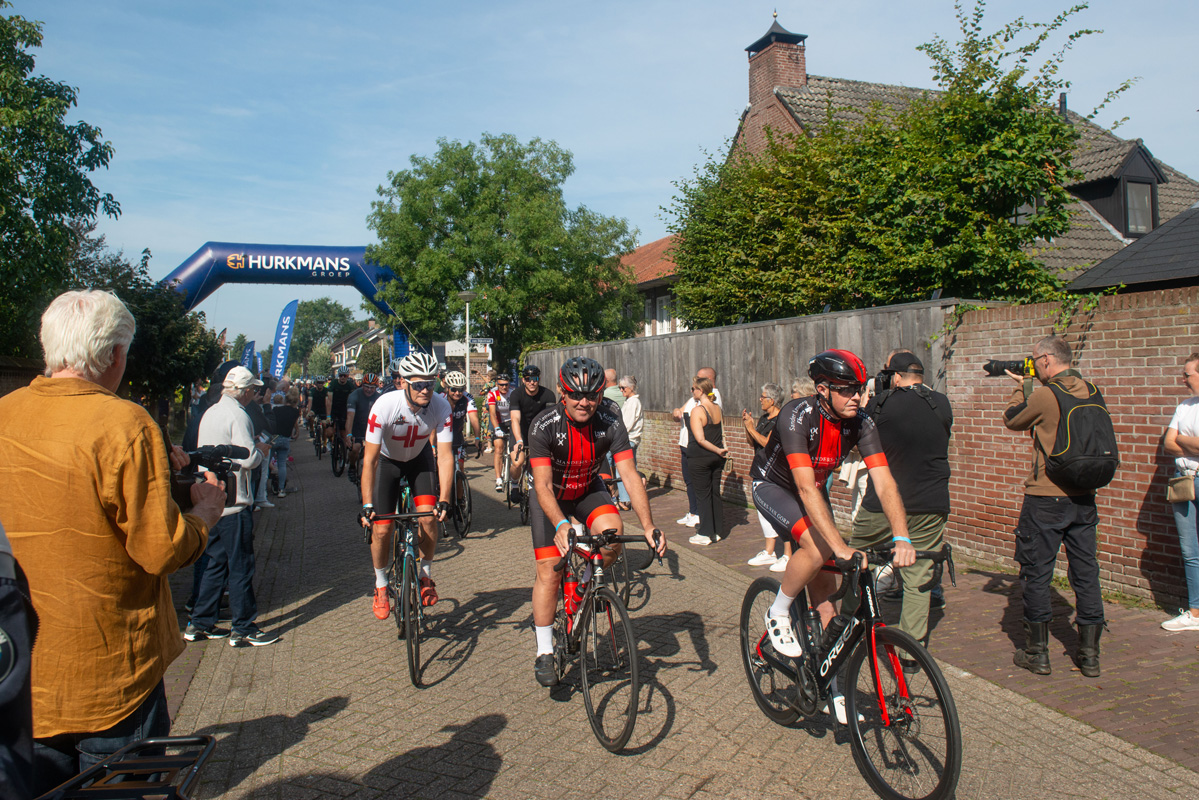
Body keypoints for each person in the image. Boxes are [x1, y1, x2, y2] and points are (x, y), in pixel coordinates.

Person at [0, 290, 226, 794]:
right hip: (111, 674)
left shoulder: (4, 414)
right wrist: (203, 514)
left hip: (22, 670)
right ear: (116, 354)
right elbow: (161, 550)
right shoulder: (126, 423)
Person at [751, 350, 913, 677]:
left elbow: (885, 483)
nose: (857, 397)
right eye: (847, 389)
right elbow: (804, 488)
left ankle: (831, 687)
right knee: (821, 547)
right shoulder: (797, 415)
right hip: (775, 486)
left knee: (827, 604)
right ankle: (778, 611)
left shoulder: (862, 422)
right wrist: (839, 548)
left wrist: (902, 537)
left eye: (860, 389)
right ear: (822, 389)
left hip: (813, 491)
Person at [527, 357, 667, 686]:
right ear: (563, 392)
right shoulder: (544, 424)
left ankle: (586, 586)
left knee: (613, 537)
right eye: (576, 395)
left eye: (592, 395)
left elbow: (629, 474)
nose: (584, 402)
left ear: (601, 394)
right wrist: (561, 524)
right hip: (552, 496)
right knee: (549, 571)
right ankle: (544, 649)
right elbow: (542, 486)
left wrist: (649, 525)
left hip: (587, 488)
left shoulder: (610, 418)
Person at [1003, 335, 1106, 677]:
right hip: (1084, 497)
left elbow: (1013, 419)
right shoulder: (1093, 390)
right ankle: (1089, 655)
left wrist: (1022, 385)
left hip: (1046, 498)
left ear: (1046, 360)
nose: (1034, 367)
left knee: (1037, 573)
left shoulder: (1047, 394)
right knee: (1086, 573)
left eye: (1035, 362)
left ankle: (1038, 654)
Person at [850, 353, 952, 646]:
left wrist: (867, 403)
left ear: (895, 376)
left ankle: (844, 627)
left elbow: (858, 442)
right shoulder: (941, 403)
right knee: (918, 579)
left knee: (855, 562)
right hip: (931, 502)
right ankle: (910, 653)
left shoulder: (882, 404)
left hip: (883, 505)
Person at [358, 353, 453, 620]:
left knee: (429, 517)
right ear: (404, 383)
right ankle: (380, 585)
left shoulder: (441, 406)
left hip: (419, 460)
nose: (425, 390)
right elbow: (370, 460)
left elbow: (445, 456)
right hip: (387, 461)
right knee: (382, 528)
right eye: (419, 384)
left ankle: (426, 575)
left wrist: (445, 499)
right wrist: (367, 504)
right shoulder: (385, 405)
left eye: (430, 384)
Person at [191, 366, 280, 648]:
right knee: (241, 566)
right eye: (253, 390)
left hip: (211, 500)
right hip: (234, 500)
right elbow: (247, 458)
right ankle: (243, 627)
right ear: (245, 392)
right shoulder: (238, 415)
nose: (254, 394)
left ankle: (200, 623)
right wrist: (261, 452)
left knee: (215, 563)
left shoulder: (211, 412)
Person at [1161, 352, 1199, 631]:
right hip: (1184, 480)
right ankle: (1195, 613)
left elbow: (1176, 441)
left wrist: (1181, 440)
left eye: (1187, 375)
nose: (1183, 380)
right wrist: (1191, 443)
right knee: (1190, 549)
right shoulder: (1185, 406)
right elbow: (1168, 443)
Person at [672, 366, 723, 528]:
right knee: (690, 482)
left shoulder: (712, 400)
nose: (692, 388)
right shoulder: (694, 400)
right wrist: (676, 412)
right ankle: (694, 511)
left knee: (702, 486)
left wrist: (717, 450)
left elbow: (702, 433)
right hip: (687, 445)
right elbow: (679, 412)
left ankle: (703, 519)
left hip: (699, 449)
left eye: (697, 382)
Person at [744, 383, 787, 568]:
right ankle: (769, 551)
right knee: (762, 511)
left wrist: (752, 429)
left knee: (778, 510)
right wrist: (747, 426)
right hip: (760, 468)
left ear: (772, 400)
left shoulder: (779, 420)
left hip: (774, 470)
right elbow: (752, 442)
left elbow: (768, 444)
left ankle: (785, 553)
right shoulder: (763, 418)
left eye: (763, 397)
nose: (760, 400)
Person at [686, 376, 729, 545]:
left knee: (702, 495)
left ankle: (705, 533)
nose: (692, 391)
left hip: (700, 458)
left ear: (701, 390)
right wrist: (719, 451)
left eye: (693, 389)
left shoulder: (698, 410)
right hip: (716, 459)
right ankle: (717, 530)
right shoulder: (717, 408)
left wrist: (717, 449)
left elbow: (700, 439)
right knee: (714, 493)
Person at [509, 364, 557, 501]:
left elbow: (552, 421)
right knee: (518, 462)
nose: (531, 382)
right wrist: (519, 440)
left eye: (534, 379)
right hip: (520, 431)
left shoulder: (548, 395)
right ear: (523, 380)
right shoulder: (516, 394)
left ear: (539, 379)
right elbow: (515, 419)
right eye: (528, 379)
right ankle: (514, 484)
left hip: (539, 433)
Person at [344, 372, 381, 484]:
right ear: (362, 385)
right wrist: (349, 434)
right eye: (366, 387)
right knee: (355, 448)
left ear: (376, 387)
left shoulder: (379, 398)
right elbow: (350, 417)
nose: (369, 390)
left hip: (371, 427)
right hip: (357, 426)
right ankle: (352, 466)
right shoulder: (354, 396)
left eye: (372, 387)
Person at [615, 375, 644, 510]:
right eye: (619, 388)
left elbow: (627, 424)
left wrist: (616, 435)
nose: (621, 390)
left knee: (622, 471)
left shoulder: (633, 402)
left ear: (631, 387)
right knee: (631, 470)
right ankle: (634, 497)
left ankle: (626, 500)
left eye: (623, 388)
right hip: (629, 440)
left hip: (628, 440)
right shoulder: (629, 401)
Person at [272, 387, 303, 497]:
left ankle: (263, 492)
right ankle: (281, 490)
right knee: (282, 464)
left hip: (274, 438)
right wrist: (297, 432)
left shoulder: (276, 410)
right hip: (285, 439)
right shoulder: (295, 412)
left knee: (267, 464)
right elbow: (294, 424)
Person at [487, 374, 513, 492]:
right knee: (499, 448)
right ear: (497, 384)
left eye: (506, 384)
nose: (504, 387)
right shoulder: (493, 394)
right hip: (498, 422)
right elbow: (492, 414)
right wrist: (497, 429)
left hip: (511, 421)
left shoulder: (512, 393)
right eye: (501, 385)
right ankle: (498, 478)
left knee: (515, 449)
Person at [324, 365, 356, 452]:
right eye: (341, 375)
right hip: (333, 409)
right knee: (330, 432)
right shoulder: (333, 384)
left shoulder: (350, 386)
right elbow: (329, 401)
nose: (342, 377)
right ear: (338, 375)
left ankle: (343, 453)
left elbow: (351, 401)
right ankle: (330, 441)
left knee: (343, 433)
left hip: (343, 410)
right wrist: (328, 416)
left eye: (345, 375)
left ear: (347, 376)